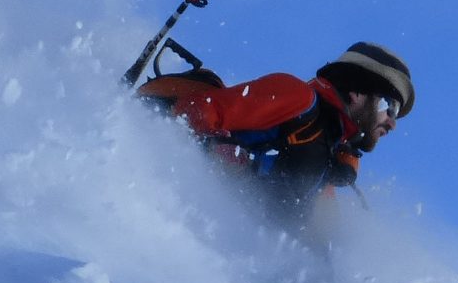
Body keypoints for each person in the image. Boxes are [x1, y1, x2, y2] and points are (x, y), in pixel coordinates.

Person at [164, 41, 415, 202]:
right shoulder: (296, 97)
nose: (392, 123)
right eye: (389, 106)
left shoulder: (324, 162)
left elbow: (312, 247)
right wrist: (221, 151)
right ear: (357, 90)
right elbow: (192, 112)